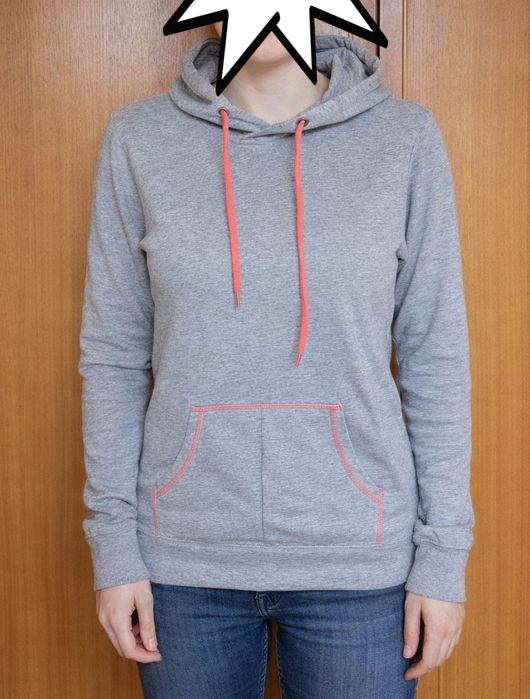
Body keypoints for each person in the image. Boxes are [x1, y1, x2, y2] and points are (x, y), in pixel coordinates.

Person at [78, 24, 475, 699]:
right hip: (183, 561)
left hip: (359, 564)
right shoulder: (138, 139)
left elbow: (434, 358)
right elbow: (114, 357)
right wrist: (113, 548)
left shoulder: (404, 138)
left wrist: (443, 555)